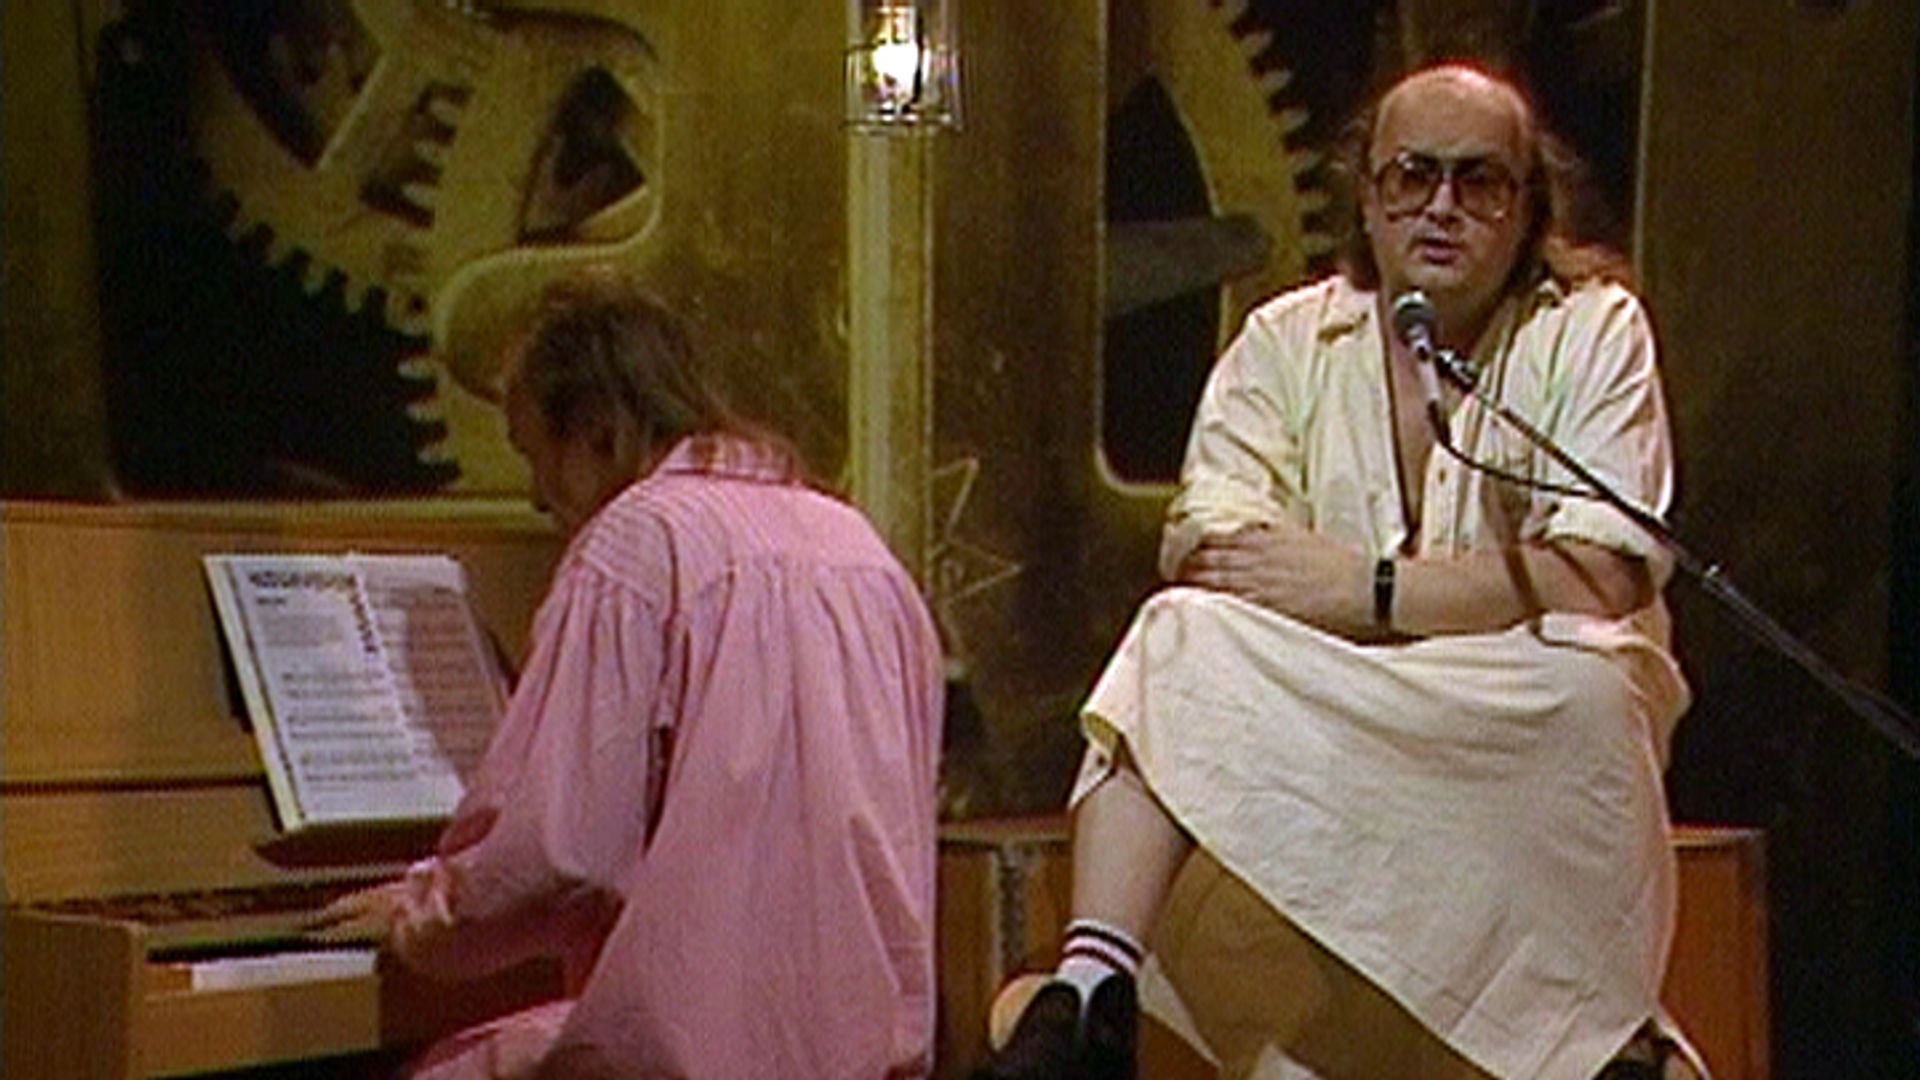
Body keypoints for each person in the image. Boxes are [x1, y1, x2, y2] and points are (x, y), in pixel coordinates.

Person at [974, 61, 1701, 1080]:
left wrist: (1365, 591)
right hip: (1329, 703)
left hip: (1506, 711)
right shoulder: (1286, 339)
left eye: (1479, 181)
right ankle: (1090, 997)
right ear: (1366, 195)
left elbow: (1601, 573)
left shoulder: (1591, 329)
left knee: (1587, 687)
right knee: (1178, 635)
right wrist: (1453, 601)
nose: (1441, 207)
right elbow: (1216, 547)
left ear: (1529, 206)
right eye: (1412, 176)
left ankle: (1596, 1045)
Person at [311, 270, 947, 1080]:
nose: (537, 497)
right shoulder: (862, 552)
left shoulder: (635, 546)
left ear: (600, 432)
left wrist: (422, 914)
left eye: (535, 456)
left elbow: (557, 853)